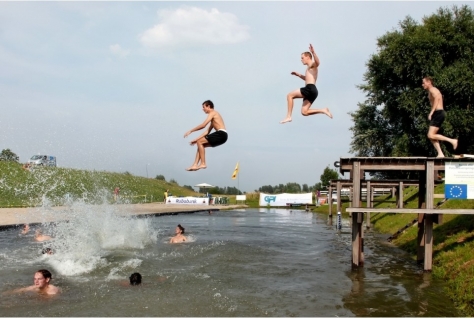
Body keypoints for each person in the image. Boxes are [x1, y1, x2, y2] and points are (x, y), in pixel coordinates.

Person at [280, 44, 333, 124]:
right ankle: (323, 110)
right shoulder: (309, 68)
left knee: (289, 95)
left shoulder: (312, 65)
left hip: (310, 88)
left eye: (302, 58)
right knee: (304, 112)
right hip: (312, 91)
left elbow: (318, 63)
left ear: (308, 57)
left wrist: (313, 52)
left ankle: (288, 116)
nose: (301, 60)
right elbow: (307, 78)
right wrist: (298, 75)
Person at [184, 100, 228, 171]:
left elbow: (203, 125)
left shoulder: (213, 113)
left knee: (200, 142)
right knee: (200, 144)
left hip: (221, 134)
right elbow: (207, 132)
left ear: (208, 106)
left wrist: (191, 131)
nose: (202, 109)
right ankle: (195, 165)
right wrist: (196, 139)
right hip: (223, 136)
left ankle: (203, 163)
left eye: (204, 107)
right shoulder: (214, 117)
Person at [422, 76, 458, 157]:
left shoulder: (432, 89)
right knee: (431, 135)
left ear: (429, 82)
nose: (422, 84)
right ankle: (440, 153)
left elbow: (437, 98)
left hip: (438, 112)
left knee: (430, 135)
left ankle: (452, 141)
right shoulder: (431, 90)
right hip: (438, 113)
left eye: (424, 83)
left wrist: (431, 112)